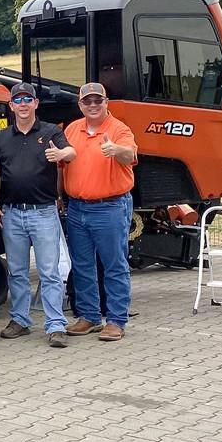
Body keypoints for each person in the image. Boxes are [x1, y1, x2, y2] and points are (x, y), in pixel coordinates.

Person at [0, 82, 77, 349]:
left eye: (28, 99)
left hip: (43, 212)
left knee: (49, 271)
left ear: (36, 104)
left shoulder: (51, 131)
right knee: (16, 271)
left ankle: (55, 325)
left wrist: (61, 153)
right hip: (12, 213)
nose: (23, 104)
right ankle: (20, 320)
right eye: (18, 100)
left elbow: (72, 153)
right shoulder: (1, 137)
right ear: (11, 106)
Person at [61, 82, 137, 342]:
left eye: (98, 101)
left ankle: (116, 320)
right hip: (77, 208)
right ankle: (89, 316)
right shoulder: (72, 129)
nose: (92, 105)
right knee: (82, 265)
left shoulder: (119, 129)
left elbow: (130, 155)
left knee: (114, 264)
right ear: (80, 104)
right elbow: (62, 163)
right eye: (87, 101)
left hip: (110, 207)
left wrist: (116, 150)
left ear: (107, 103)